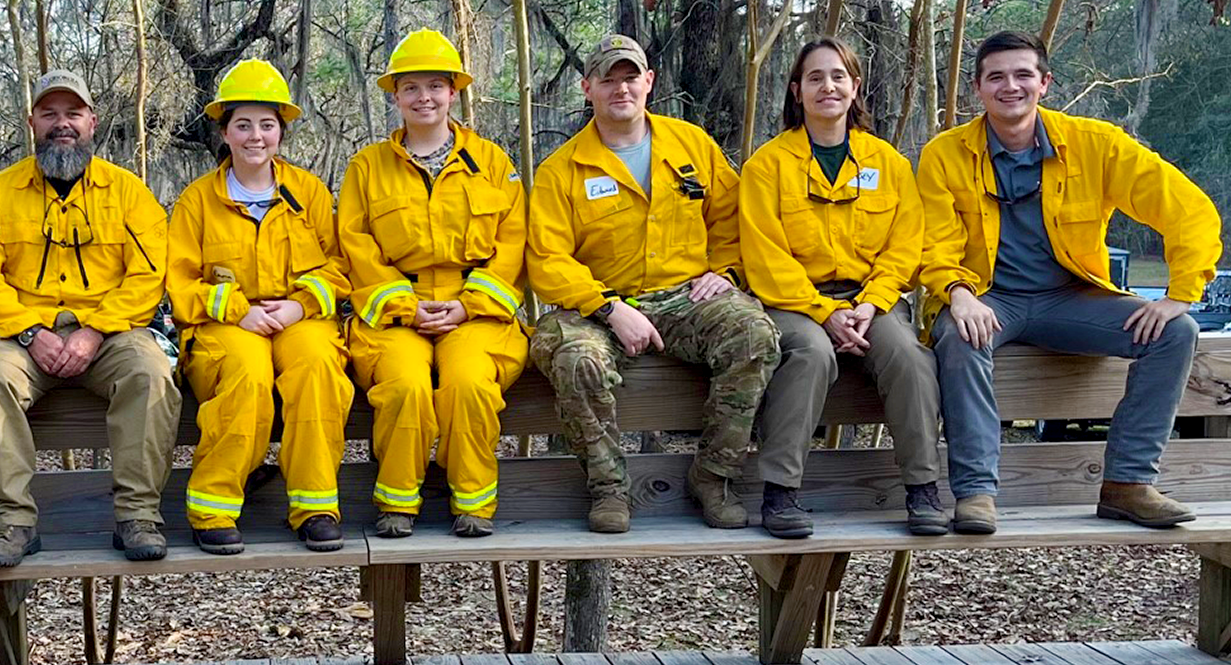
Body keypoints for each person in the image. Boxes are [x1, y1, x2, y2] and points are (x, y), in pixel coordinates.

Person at [920, 31, 1222, 534]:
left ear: (1045, 83)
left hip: (1071, 297)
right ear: (978, 89)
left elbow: (1188, 209)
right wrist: (958, 293)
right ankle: (975, 493)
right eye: (996, 77)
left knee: (1176, 332)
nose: (1010, 86)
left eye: (1022, 75)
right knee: (958, 334)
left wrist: (1180, 293)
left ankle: (1128, 484)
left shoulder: (1096, 145)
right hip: (990, 297)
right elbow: (932, 241)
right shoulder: (945, 155)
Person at [529, 34, 779, 534]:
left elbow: (734, 220)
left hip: (687, 297)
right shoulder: (562, 170)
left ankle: (713, 477)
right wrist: (608, 308)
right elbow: (547, 259)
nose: (620, 88)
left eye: (630, 77)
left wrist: (723, 271)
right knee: (573, 357)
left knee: (754, 335)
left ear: (649, 82)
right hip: (598, 305)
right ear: (587, 89)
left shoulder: (691, 145)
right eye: (607, 79)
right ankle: (608, 488)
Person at [0, 69, 179, 566]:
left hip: (111, 331)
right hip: (20, 334)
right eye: (50, 114)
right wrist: (29, 331)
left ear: (93, 121)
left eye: (73, 113)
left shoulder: (128, 193)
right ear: (32, 121)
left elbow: (149, 273)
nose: (63, 124)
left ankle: (138, 516)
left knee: (150, 372)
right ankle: (13, 523)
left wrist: (96, 329)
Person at [740, 39, 944, 538]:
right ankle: (781, 493)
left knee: (911, 359)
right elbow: (764, 257)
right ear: (796, 92)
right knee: (810, 355)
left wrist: (871, 303)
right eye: (814, 78)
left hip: (873, 302)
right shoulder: (766, 166)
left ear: (855, 88)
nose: (827, 86)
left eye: (838, 77)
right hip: (795, 304)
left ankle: (923, 489)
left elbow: (905, 246)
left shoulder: (889, 163)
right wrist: (822, 311)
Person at [339, 29, 529, 538]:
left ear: (454, 92)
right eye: (412, 88)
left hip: (475, 310)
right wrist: (404, 305)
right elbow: (355, 245)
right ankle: (397, 503)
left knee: (468, 384)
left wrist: (470, 305)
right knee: (404, 385)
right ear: (395, 96)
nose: (425, 98)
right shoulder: (367, 167)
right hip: (397, 311)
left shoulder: (492, 163)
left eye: (436, 86)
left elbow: (513, 243)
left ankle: (472, 504)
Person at [166, 60, 353, 555]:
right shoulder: (197, 202)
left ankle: (315, 506)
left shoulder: (308, 193)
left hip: (300, 320)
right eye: (243, 125)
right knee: (246, 372)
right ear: (224, 132)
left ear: (281, 132)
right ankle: (213, 508)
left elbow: (338, 266)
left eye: (267, 125)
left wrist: (298, 307)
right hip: (225, 326)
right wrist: (236, 310)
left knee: (317, 366)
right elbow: (178, 283)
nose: (256, 136)